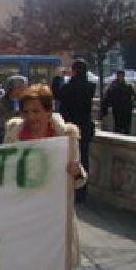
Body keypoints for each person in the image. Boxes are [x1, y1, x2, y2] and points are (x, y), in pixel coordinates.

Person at [4, 84, 86, 269]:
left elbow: (77, 181)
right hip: (22, 214)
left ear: (49, 112)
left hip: (53, 215)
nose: (31, 117)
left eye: (36, 111)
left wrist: (77, 172)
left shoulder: (66, 136)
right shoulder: (13, 135)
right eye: (26, 112)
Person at [58, 59, 96, 203]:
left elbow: (58, 95)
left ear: (73, 71)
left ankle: (70, 189)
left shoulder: (68, 87)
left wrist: (59, 77)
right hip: (85, 127)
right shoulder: (90, 87)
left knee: (69, 159)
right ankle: (82, 191)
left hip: (69, 127)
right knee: (84, 159)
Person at [101, 70, 136, 134]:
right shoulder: (113, 85)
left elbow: (134, 96)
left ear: (123, 76)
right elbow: (107, 95)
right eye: (119, 75)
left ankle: (125, 134)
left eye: (121, 75)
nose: (120, 77)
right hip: (117, 107)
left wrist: (132, 103)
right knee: (118, 124)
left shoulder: (128, 85)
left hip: (126, 108)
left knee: (125, 125)